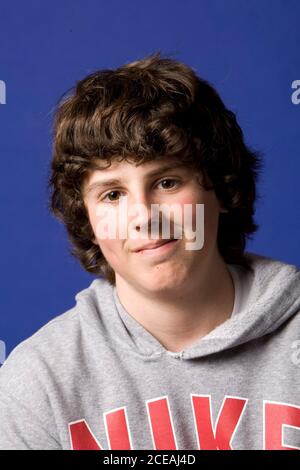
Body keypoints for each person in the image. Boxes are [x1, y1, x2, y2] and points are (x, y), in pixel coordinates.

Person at [0, 51, 299, 450]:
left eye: (168, 183)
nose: (143, 216)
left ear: (222, 189)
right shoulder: (39, 380)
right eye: (112, 194)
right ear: (86, 218)